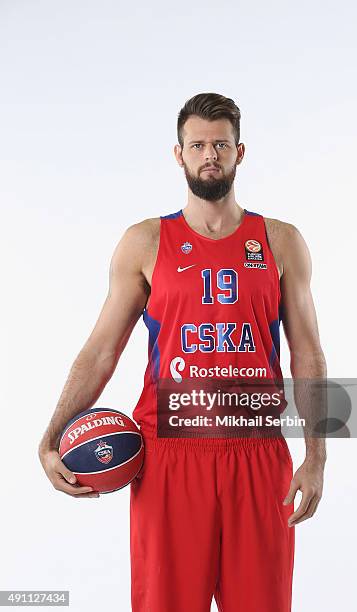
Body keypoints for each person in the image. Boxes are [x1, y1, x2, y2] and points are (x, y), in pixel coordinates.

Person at [39, 92, 327, 611]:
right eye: (197, 145)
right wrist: (51, 434)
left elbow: (308, 355)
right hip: (168, 458)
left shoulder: (282, 241)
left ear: (241, 152)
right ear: (179, 155)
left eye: (220, 144)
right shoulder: (145, 242)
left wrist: (317, 456)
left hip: (257, 455)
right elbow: (101, 350)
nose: (209, 155)